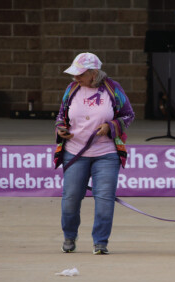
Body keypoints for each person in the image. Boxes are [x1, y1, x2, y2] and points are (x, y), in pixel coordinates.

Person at [54, 52, 135, 255]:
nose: (75, 78)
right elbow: (61, 114)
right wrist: (60, 128)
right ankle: (69, 236)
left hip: (107, 154)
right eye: (74, 74)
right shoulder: (72, 89)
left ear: (94, 73)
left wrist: (111, 126)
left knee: (105, 199)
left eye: (80, 74)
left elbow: (128, 115)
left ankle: (100, 242)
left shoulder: (112, 89)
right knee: (71, 198)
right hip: (74, 153)